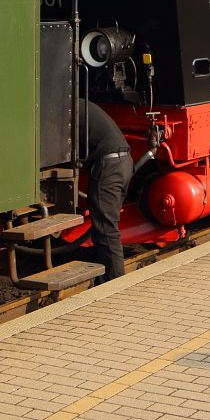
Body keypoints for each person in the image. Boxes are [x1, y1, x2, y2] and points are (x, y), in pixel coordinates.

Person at [81, 99, 133, 282]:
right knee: (108, 226)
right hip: (123, 162)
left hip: (108, 166)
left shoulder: (66, 111)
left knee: (106, 230)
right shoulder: (84, 105)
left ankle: (114, 284)